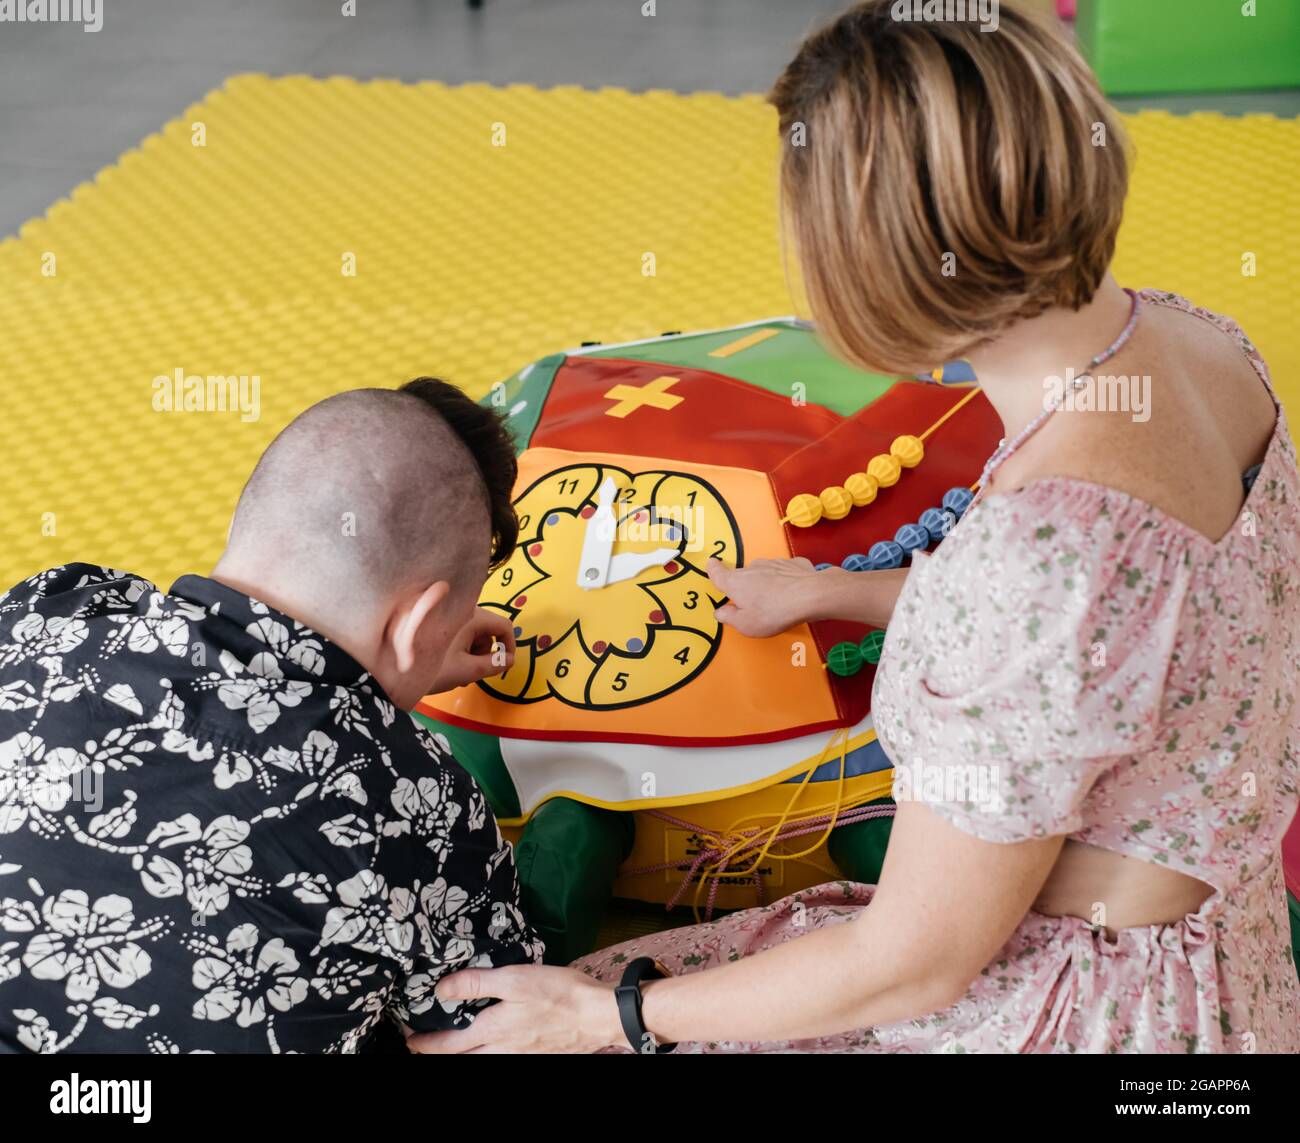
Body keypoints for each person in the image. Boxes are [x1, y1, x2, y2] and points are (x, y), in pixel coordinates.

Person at [408, 2, 1300, 1054]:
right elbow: (1135, 630)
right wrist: (854, 592)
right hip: (1214, 967)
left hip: (1082, 1013)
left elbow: (912, 964)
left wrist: (604, 1016)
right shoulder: (1201, 345)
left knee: (513, 1019)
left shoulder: (1037, 555)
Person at [0, 379, 543, 1053]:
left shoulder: (54, 609)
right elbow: (506, 1023)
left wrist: (406, 655)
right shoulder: (418, 803)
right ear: (421, 619)